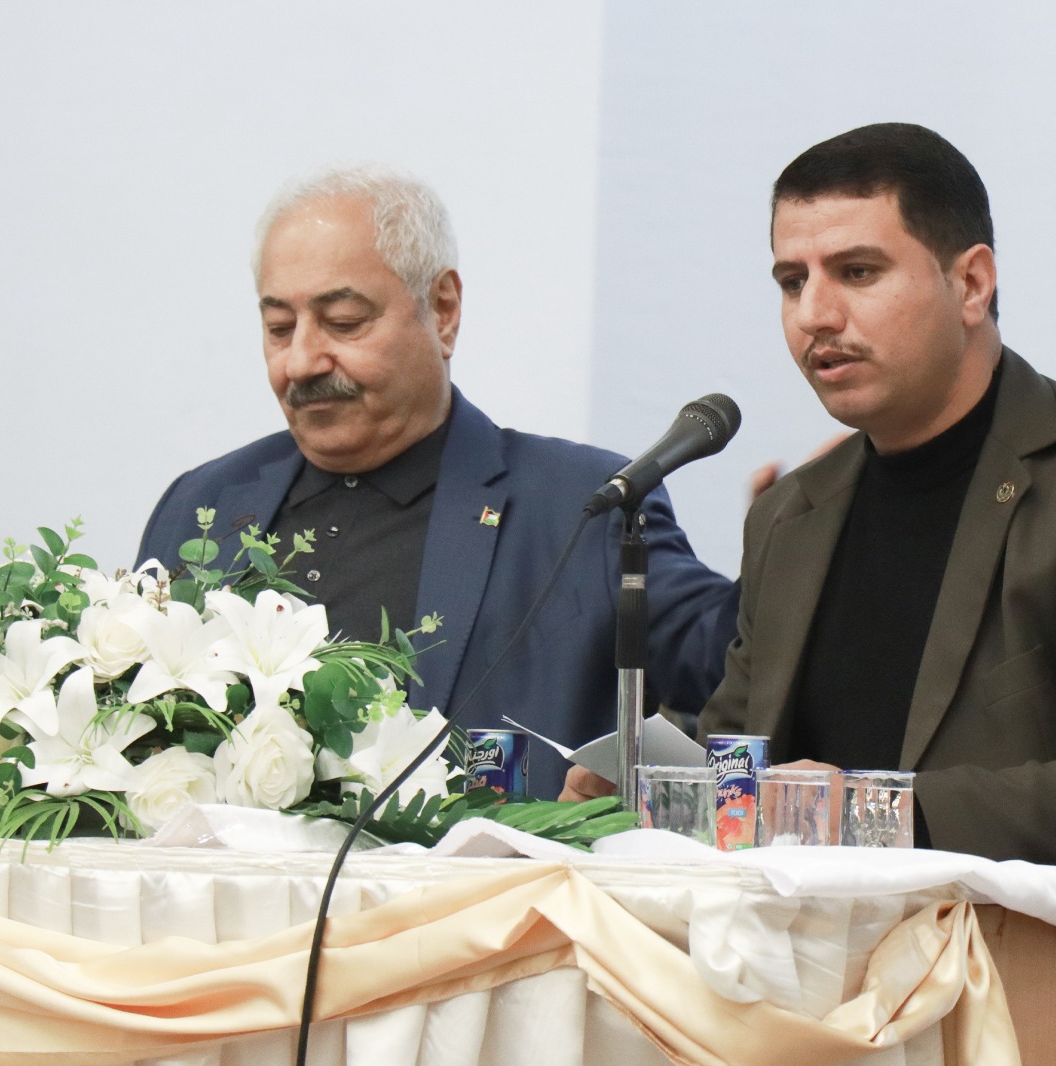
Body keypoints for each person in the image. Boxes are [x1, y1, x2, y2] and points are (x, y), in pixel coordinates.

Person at [576, 123, 1056, 871]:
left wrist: (869, 814)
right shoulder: (791, 516)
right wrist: (650, 794)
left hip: (1028, 935)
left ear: (972, 284)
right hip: (804, 931)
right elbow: (740, 765)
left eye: (857, 272)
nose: (814, 314)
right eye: (793, 282)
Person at [139, 166, 737, 799]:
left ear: (443, 311)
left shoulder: (582, 507)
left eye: (343, 321)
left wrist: (800, 534)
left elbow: (736, 668)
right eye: (279, 328)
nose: (302, 362)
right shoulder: (203, 504)